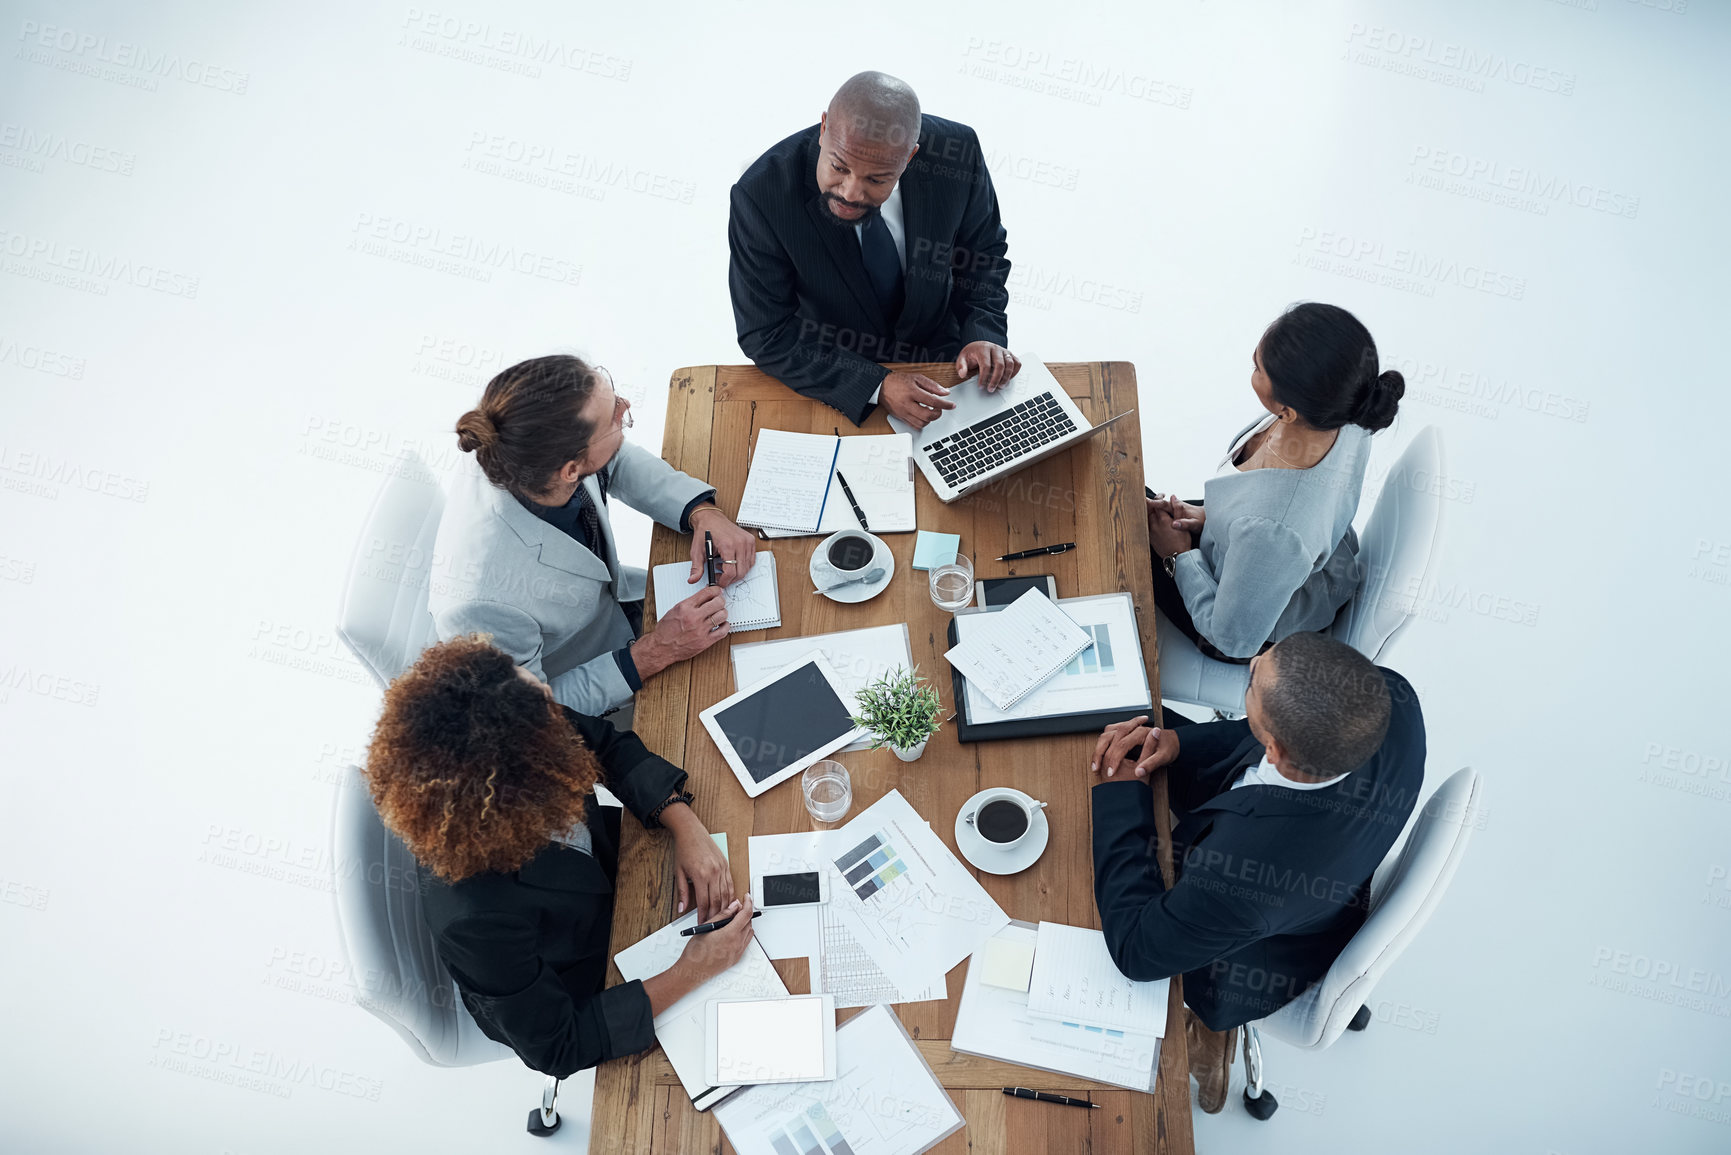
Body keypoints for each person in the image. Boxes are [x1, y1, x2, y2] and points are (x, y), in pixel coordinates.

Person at [363, 634, 757, 1079]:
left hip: (612, 875)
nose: (549, 695)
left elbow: (604, 744)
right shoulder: (476, 924)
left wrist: (682, 821)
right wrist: (693, 970)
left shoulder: (509, 709)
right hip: (588, 968)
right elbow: (559, 1045)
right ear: (514, 786)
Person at [1088, 632, 1425, 1113]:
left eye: (1253, 682)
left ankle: (1210, 1040)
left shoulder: (1241, 883)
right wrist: (1182, 743)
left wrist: (1122, 794)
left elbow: (1137, 952)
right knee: (1103, 719)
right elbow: (1260, 732)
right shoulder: (1391, 698)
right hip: (1319, 868)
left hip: (1244, 954)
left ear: (1277, 752)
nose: (1254, 659)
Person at [431, 354, 760, 718]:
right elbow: (533, 714)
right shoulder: (479, 604)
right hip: (601, 684)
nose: (625, 406)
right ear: (570, 470)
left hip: (628, 608)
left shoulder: (520, 444)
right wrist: (656, 651)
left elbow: (612, 459)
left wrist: (701, 511)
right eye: (614, 416)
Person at [729, 70, 1019, 429]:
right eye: (839, 166)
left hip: (946, 372)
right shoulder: (761, 194)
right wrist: (875, 384)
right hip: (832, 373)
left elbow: (982, 254)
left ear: (910, 156)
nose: (850, 192)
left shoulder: (957, 153)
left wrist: (982, 334)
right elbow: (766, 333)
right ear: (823, 128)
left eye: (876, 179)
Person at [1147, 302, 1405, 661]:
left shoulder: (1273, 530)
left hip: (1247, 627)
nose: (1252, 363)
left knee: (1122, 532)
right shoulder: (1346, 409)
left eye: (1258, 367)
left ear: (1288, 410)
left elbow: (1232, 638)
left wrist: (1178, 555)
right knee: (1133, 502)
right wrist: (1216, 518)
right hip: (1275, 561)